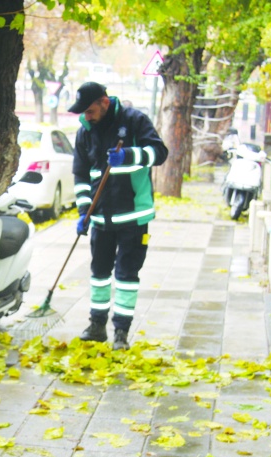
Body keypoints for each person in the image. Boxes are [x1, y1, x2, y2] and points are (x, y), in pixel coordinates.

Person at [67, 81, 169, 350]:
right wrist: (83, 211)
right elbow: (80, 174)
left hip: (134, 217)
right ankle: (97, 325)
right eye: (83, 113)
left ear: (104, 102)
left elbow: (159, 153)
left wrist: (129, 156)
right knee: (99, 273)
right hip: (100, 219)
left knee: (126, 275)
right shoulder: (85, 132)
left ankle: (121, 333)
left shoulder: (134, 121)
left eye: (89, 110)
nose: (86, 117)